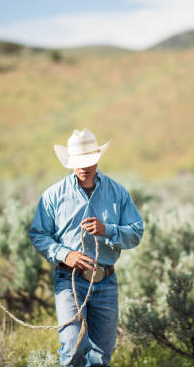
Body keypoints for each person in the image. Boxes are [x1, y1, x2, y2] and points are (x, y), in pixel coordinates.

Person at [29, 128, 144, 367]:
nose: (83, 167)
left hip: (106, 281)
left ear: (98, 158)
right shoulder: (52, 195)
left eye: (88, 161)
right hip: (69, 280)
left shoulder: (117, 193)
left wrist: (108, 230)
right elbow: (38, 234)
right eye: (77, 162)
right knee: (72, 350)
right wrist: (65, 254)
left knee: (101, 356)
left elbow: (136, 233)